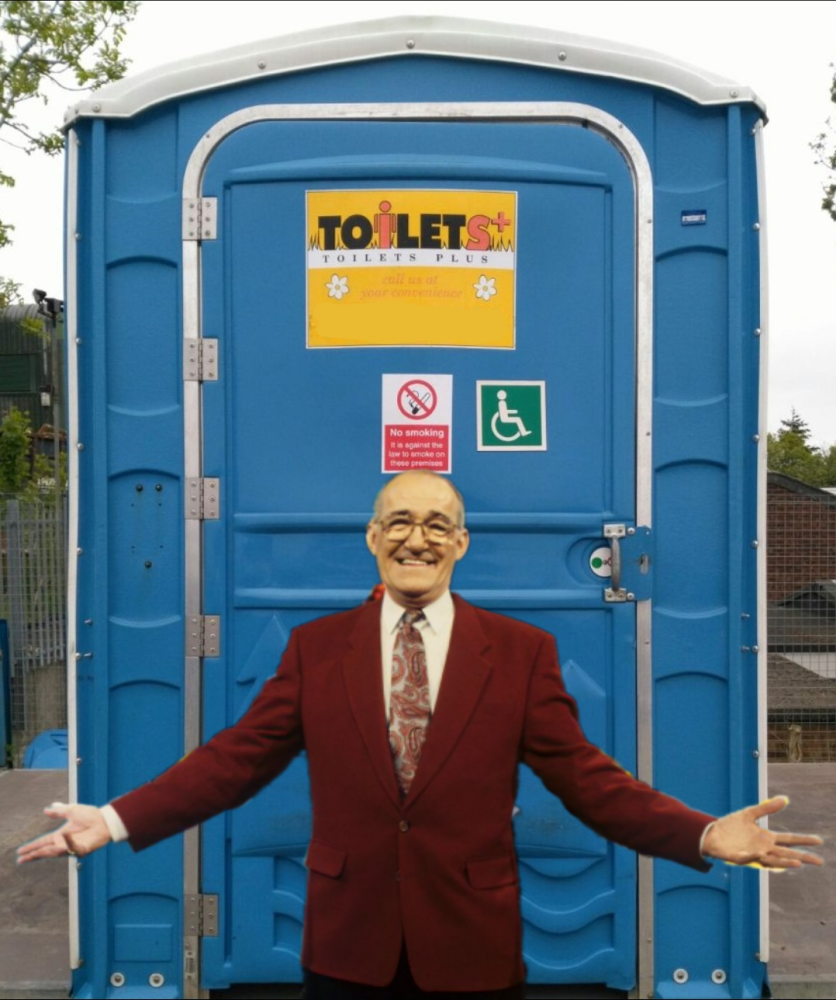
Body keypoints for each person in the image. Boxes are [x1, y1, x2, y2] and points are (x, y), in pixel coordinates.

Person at [18, 470, 823, 999]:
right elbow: (235, 761)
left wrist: (706, 833)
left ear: (461, 544)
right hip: (346, 945)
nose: (418, 538)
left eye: (439, 525)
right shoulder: (317, 649)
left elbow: (587, 779)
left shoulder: (518, 653)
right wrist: (114, 821)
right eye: (398, 521)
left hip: (471, 942)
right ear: (371, 539)